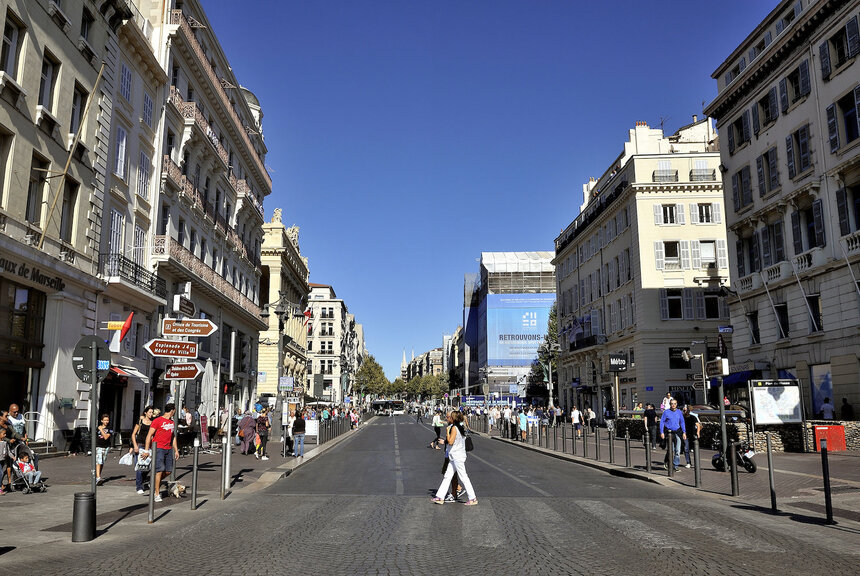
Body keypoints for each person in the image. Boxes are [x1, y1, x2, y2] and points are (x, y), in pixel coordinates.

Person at [432, 411, 477, 505]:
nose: (447, 419)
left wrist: (447, 432)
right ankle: (440, 497)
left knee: (463, 477)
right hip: (455, 456)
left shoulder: (454, 428)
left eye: (449, 417)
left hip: (457, 456)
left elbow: (451, 442)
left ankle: (472, 498)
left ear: (453, 419)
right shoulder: (459, 427)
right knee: (447, 476)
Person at [143, 403, 180, 502]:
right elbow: (149, 435)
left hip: (168, 448)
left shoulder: (172, 423)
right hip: (158, 448)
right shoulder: (157, 420)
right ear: (172, 410)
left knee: (168, 470)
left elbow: (173, 437)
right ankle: (157, 494)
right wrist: (146, 450)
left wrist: (176, 450)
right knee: (159, 470)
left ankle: (154, 481)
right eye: (175, 411)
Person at [130, 406, 154, 494]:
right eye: (150, 412)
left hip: (148, 447)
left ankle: (143, 481)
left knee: (147, 467)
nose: (151, 414)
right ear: (145, 413)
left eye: (152, 412)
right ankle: (139, 487)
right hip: (139, 445)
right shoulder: (140, 421)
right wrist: (135, 446)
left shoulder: (153, 423)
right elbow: (133, 434)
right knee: (140, 467)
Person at [659, 398, 687, 471]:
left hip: (677, 432)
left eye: (675, 403)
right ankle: (667, 461)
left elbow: (682, 422)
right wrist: (661, 432)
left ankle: (675, 465)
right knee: (671, 450)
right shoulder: (666, 412)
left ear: (676, 404)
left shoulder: (679, 412)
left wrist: (684, 432)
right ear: (670, 404)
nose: (673, 405)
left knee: (678, 450)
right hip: (669, 433)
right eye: (672, 404)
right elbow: (662, 422)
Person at [95, 414, 112, 485]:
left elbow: (106, 437)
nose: (106, 421)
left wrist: (101, 430)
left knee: (102, 462)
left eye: (107, 420)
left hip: (106, 446)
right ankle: (98, 477)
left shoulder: (109, 429)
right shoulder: (97, 428)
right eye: (105, 420)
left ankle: (98, 476)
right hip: (98, 446)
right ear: (102, 420)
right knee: (99, 461)